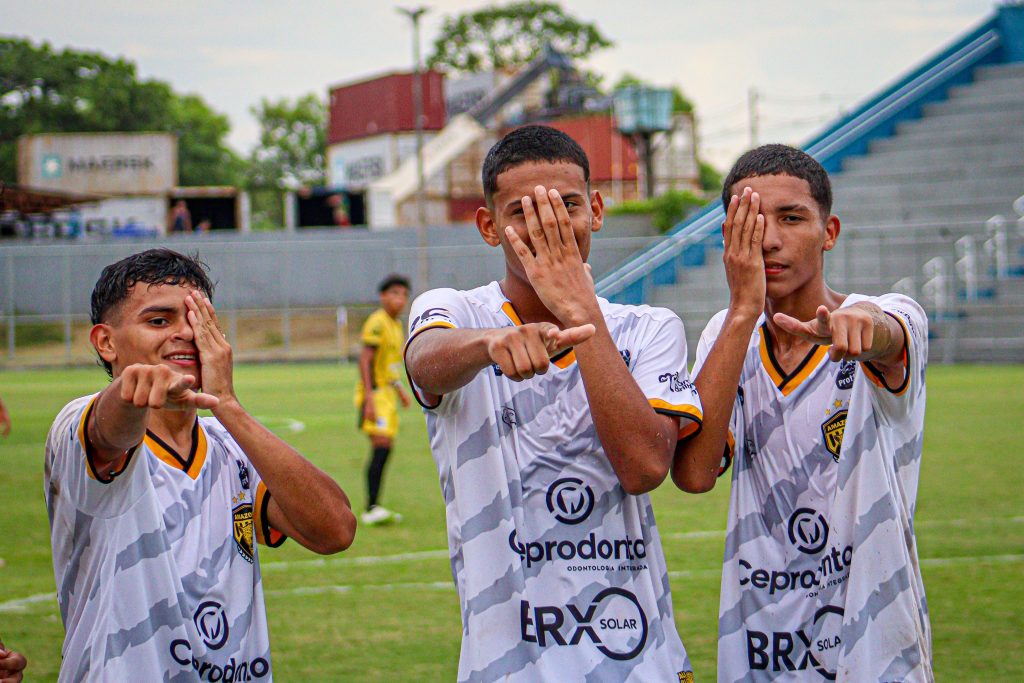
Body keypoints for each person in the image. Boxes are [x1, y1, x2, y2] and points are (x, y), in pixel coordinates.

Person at [404, 125, 703, 681]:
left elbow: (643, 467)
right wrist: (488, 345)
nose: (549, 224)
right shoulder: (457, 312)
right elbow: (425, 359)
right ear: (489, 227)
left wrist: (578, 312)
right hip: (509, 665)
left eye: (566, 204)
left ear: (596, 210)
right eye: (522, 211)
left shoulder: (648, 328)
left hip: (639, 659)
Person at [672, 144, 932, 681]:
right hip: (758, 643)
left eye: (792, 218)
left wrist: (864, 322)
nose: (769, 238)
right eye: (751, 221)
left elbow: (888, 330)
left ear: (829, 232)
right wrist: (744, 310)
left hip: (871, 643)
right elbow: (695, 475)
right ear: (727, 236)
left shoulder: (891, 315)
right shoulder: (725, 337)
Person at [44, 248, 356, 680]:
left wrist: (228, 405)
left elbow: (335, 530)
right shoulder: (77, 427)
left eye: (196, 320)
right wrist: (132, 389)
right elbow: (108, 430)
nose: (183, 334)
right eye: (158, 321)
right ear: (106, 342)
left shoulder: (231, 443)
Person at [356, 274, 413, 525]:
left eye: (403, 294)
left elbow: (389, 365)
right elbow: (365, 360)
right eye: (394, 293)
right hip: (375, 395)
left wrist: (400, 389)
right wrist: (368, 399)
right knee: (381, 446)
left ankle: (375, 505)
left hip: (387, 396)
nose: (399, 299)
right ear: (383, 296)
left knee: (385, 448)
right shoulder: (377, 322)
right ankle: (371, 507)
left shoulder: (396, 325)